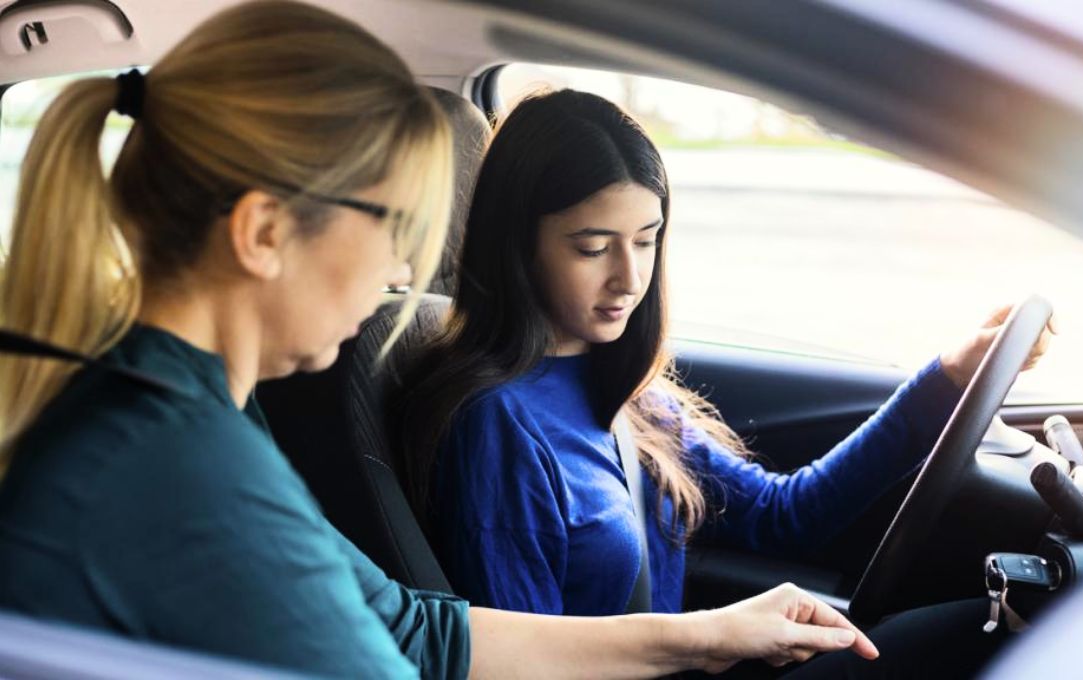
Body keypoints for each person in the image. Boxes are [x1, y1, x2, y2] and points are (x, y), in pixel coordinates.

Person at [0, 3, 880, 679]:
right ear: (265, 233)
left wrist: (703, 637)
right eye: (397, 228)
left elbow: (415, 629)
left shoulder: (191, 412)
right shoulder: (175, 463)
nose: (405, 273)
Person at [395, 89, 1054, 675]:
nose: (629, 277)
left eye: (647, 240)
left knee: (987, 630)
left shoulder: (619, 384)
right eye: (593, 248)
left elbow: (784, 516)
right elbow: (514, 663)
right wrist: (702, 639)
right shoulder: (497, 425)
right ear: (518, 247)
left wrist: (949, 378)